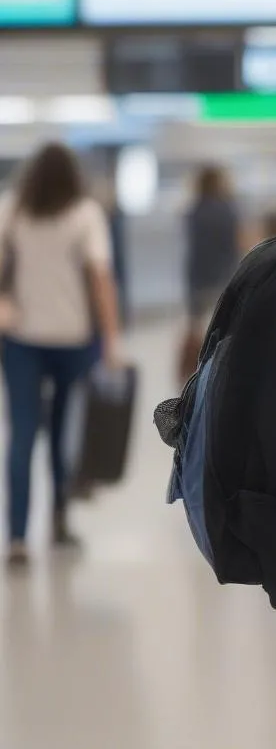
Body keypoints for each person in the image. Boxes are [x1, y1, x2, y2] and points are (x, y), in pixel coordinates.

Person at [0, 143, 122, 568]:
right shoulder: (85, 214)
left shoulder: (11, 209)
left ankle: (16, 536)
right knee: (63, 435)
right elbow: (101, 280)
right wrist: (111, 340)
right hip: (74, 339)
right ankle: (58, 522)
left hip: (20, 339)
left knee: (22, 433)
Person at [179, 165, 240, 383]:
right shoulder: (228, 210)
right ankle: (219, 374)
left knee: (197, 327)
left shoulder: (193, 210)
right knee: (223, 328)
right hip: (224, 276)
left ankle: (196, 374)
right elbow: (236, 242)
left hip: (197, 275)